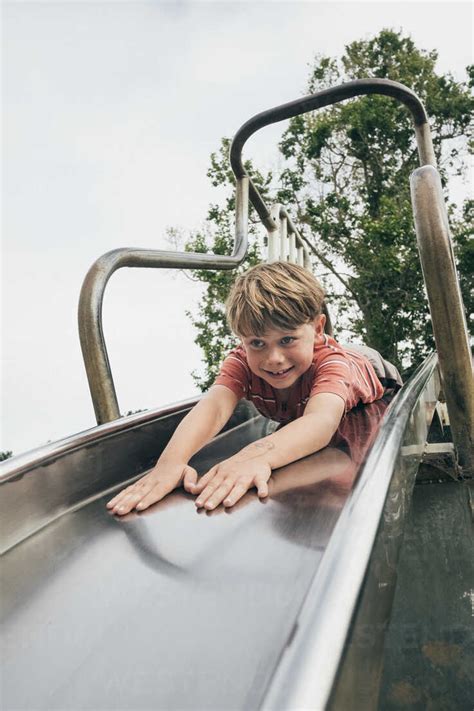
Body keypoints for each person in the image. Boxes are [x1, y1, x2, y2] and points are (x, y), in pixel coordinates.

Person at [107, 262, 401, 516]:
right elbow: (215, 406)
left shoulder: (332, 364)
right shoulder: (242, 363)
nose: (273, 358)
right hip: (308, 386)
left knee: (339, 368)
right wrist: (170, 463)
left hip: (372, 370)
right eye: (257, 343)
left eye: (287, 339)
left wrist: (256, 456)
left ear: (318, 327)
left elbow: (320, 422)